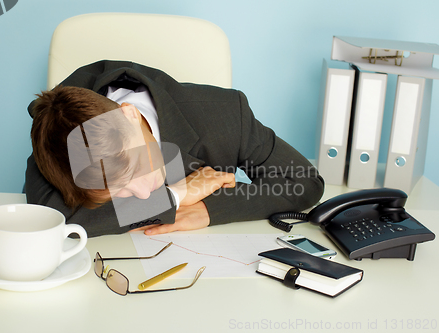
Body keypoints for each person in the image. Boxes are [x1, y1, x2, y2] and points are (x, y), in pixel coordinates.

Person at [26, 60, 324, 237]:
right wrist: (175, 196)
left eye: (138, 168)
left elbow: (303, 183)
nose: (144, 194)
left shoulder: (225, 115)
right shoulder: (56, 133)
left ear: (129, 114)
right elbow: (48, 218)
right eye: (123, 192)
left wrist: (210, 208)